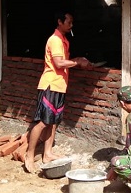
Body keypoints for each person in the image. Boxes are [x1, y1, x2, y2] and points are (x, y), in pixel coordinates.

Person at [24, 11, 91, 173]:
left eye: (72, 23)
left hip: (59, 86)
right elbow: (59, 63)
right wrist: (77, 61)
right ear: (60, 22)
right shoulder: (54, 40)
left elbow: (63, 62)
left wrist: (77, 60)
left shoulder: (63, 40)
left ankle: (47, 154)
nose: (71, 25)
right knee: (43, 122)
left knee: (53, 123)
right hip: (50, 85)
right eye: (69, 22)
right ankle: (29, 155)